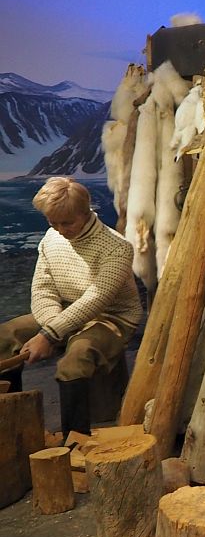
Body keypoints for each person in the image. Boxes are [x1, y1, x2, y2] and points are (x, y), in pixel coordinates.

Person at [0, 177, 143, 434]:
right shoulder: (51, 238)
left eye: (67, 223)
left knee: (75, 359)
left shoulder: (117, 248)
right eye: (52, 222)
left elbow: (95, 300)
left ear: (85, 212)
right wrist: (51, 330)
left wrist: (50, 335)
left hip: (110, 317)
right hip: (62, 314)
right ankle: (12, 427)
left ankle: (75, 440)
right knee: (5, 336)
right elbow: (43, 289)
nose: (59, 229)